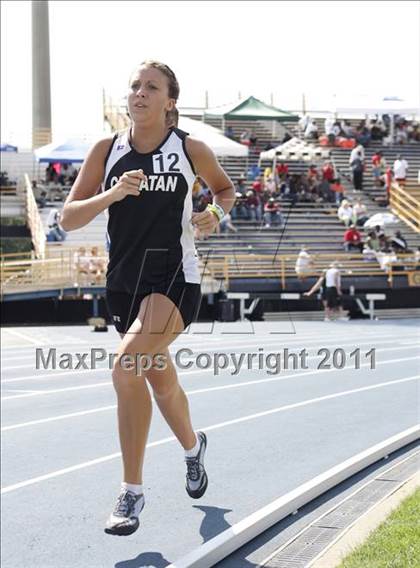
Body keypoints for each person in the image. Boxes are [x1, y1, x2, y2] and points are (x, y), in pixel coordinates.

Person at [60, 60, 236, 537]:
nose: (139, 93)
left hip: (176, 279)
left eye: (150, 87)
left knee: (126, 366)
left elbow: (225, 189)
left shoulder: (189, 148)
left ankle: (131, 492)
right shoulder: (107, 149)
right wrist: (112, 194)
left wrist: (215, 212)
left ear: (169, 101)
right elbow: (68, 218)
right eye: (134, 86)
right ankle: (192, 448)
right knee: (160, 383)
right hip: (124, 285)